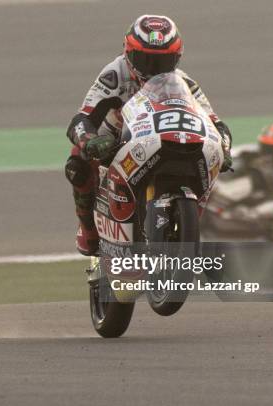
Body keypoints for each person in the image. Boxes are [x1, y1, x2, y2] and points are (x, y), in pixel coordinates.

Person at [64, 14, 233, 255]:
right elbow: (81, 119)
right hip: (118, 141)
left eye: (162, 62)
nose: (153, 70)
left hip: (166, 139)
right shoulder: (114, 74)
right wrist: (90, 142)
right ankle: (89, 229)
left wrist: (224, 148)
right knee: (77, 164)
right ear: (128, 53)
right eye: (145, 60)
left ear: (177, 58)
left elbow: (216, 124)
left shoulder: (184, 82)